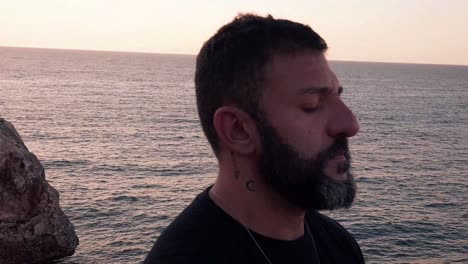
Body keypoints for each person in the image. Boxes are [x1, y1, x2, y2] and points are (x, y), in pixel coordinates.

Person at [144, 13, 364, 264]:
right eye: (312, 104)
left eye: (338, 96)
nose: (350, 124)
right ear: (238, 130)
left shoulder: (338, 244)